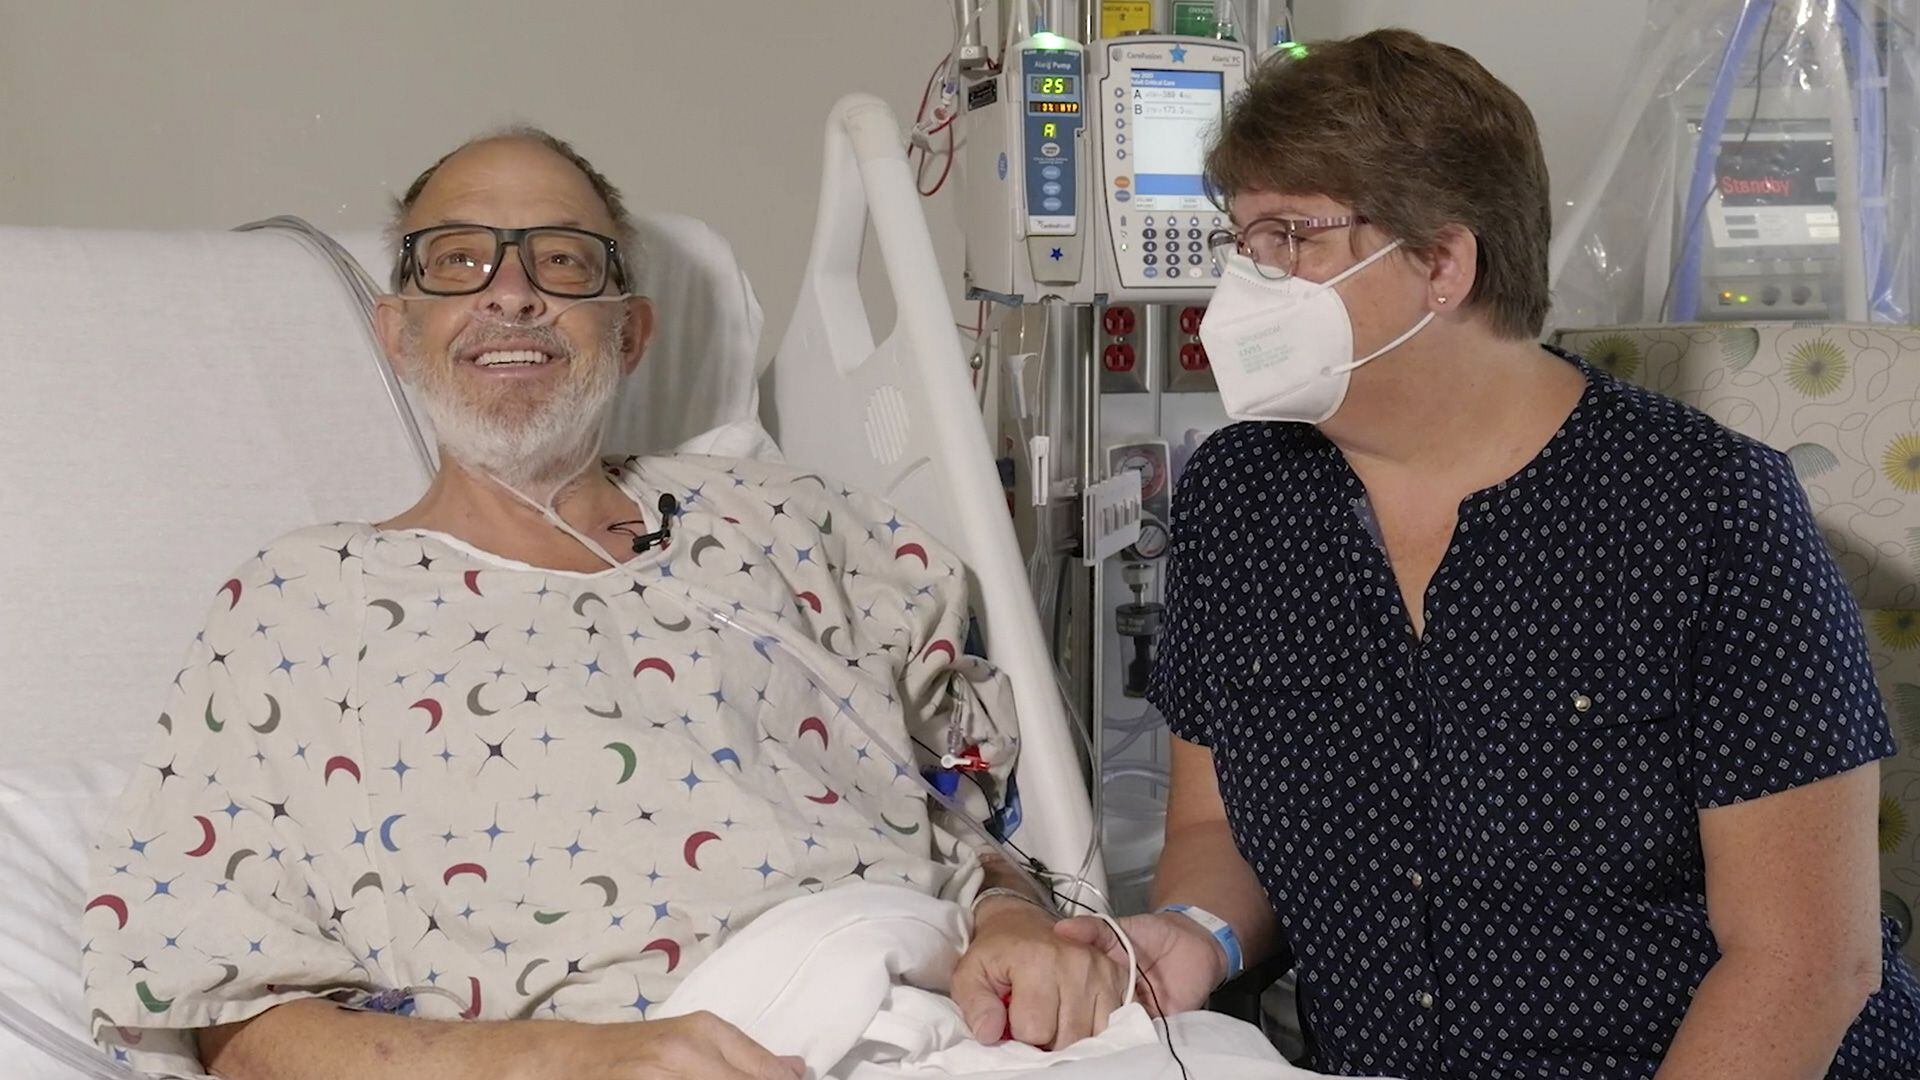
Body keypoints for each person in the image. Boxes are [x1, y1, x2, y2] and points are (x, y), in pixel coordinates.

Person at [79, 127, 1124, 1080]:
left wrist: (1012, 921)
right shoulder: (303, 603)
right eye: (458, 261)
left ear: (630, 333)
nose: (512, 293)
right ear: (396, 332)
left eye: (564, 261)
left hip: (959, 1022)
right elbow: (241, 1031)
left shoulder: (793, 521)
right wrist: (572, 1059)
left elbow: (982, 809)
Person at [1049, 29, 1920, 1079]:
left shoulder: (1704, 513)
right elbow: (1216, 825)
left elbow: (1806, 963)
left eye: (1291, 239)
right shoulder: (1243, 497)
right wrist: (1196, 934)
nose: (1245, 285)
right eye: (1244, 243)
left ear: (1443, 265)